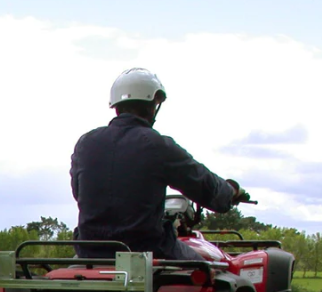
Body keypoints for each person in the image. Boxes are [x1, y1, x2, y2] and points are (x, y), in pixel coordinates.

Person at [70, 67, 249, 260]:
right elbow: (204, 184)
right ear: (153, 104)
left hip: (89, 251)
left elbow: (78, 193)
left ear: (116, 105)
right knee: (214, 270)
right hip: (146, 250)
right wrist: (230, 192)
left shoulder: (85, 143)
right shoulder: (157, 145)